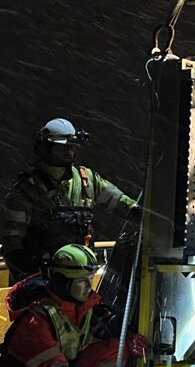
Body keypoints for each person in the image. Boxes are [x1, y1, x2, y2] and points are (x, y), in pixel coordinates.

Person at [0, 244, 147, 367]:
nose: (89, 286)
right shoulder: (35, 321)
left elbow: (106, 325)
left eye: (90, 280)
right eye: (82, 281)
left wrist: (130, 340)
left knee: (115, 349)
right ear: (62, 282)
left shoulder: (78, 304)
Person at [0, 118, 139, 284]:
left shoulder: (87, 181)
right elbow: (13, 245)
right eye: (61, 148)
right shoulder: (28, 190)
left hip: (81, 283)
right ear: (45, 149)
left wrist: (153, 219)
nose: (68, 153)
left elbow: (125, 206)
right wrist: (31, 282)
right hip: (44, 282)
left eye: (72, 148)